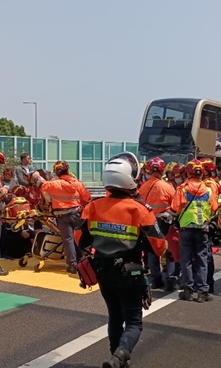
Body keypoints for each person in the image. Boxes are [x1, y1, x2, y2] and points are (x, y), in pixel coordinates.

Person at [75, 152, 167, 368]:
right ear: (130, 179)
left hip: (102, 270)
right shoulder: (140, 210)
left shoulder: (93, 207)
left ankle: (116, 359)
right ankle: (119, 357)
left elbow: (79, 239)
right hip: (130, 272)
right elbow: (159, 246)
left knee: (115, 317)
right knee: (134, 322)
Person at [171, 159, 218, 302]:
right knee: (202, 260)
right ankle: (203, 292)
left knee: (186, 260)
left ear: (187, 173)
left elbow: (174, 209)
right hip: (203, 228)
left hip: (186, 229)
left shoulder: (182, 189)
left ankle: (187, 290)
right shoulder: (208, 189)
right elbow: (214, 209)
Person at [41, 160, 90, 274]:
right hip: (76, 214)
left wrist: (35, 176)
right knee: (79, 237)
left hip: (62, 217)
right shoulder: (75, 182)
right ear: (67, 170)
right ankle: (83, 261)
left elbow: (43, 186)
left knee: (68, 240)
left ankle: (72, 265)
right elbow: (87, 197)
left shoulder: (54, 183)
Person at [137, 157, 175, 289]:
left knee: (151, 251)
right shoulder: (167, 187)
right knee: (168, 248)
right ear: (162, 170)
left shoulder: (143, 187)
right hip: (164, 221)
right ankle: (170, 278)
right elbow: (175, 205)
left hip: (147, 222)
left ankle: (156, 280)